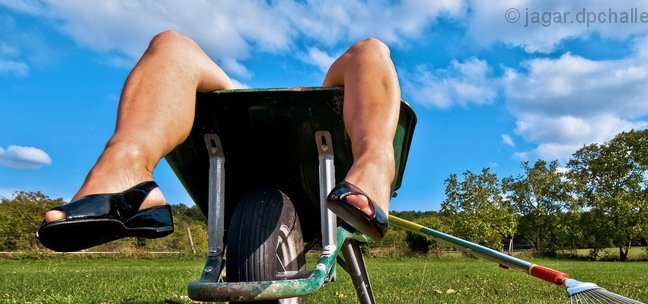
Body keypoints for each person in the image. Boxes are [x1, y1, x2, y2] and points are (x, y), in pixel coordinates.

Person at [37, 30, 401, 252]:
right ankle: (126, 169)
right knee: (170, 46)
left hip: (330, 184)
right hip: (234, 163)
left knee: (369, 52)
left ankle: (374, 164)